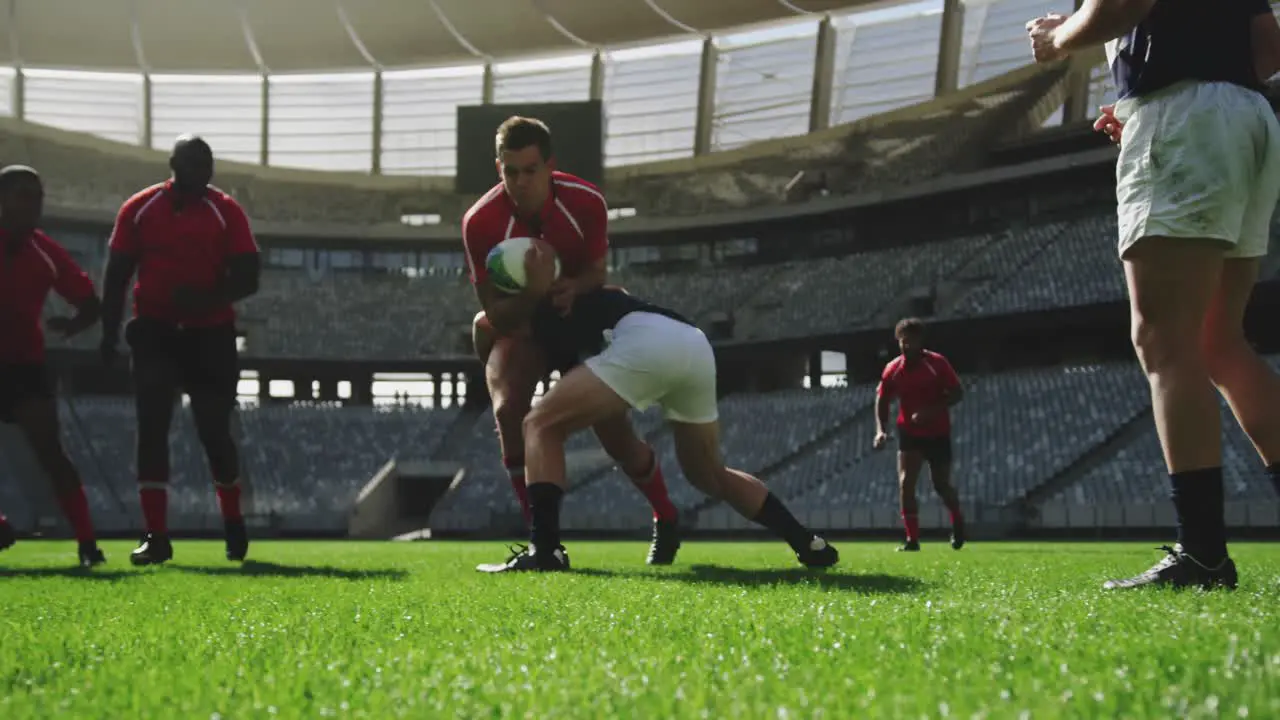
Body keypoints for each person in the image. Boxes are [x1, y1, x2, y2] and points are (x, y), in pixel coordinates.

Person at [1027, 0, 1280, 589]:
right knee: (1220, 343)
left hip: (1186, 115)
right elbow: (1267, 47)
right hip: (1246, 115)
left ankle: (1204, 555)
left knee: (1166, 343)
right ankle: (1205, 553)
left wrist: (1059, 37)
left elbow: (1118, 6)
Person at [478, 252, 839, 573]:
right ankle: (806, 542)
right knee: (708, 474)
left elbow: (486, 323)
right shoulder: (590, 296)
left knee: (539, 425)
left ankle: (546, 552)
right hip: (692, 342)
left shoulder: (540, 311)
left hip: (645, 344)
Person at [463, 116, 681, 565]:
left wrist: (572, 287)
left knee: (616, 434)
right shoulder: (481, 222)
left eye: (530, 170)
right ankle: (543, 542)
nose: (520, 182)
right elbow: (495, 311)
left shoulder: (586, 201)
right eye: (510, 172)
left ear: (549, 166)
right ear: (498, 167)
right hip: (523, 326)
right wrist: (532, 291)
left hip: (580, 318)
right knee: (508, 411)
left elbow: (598, 274)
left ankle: (665, 515)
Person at [100, 136, 261, 566]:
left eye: (207, 164)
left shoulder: (225, 210)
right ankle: (156, 535)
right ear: (174, 164)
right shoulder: (140, 208)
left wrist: (205, 298)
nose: (202, 172)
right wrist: (107, 335)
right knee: (151, 424)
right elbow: (117, 275)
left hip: (210, 334)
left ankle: (233, 522)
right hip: (155, 330)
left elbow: (249, 275)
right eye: (193, 163)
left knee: (213, 430)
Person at [0, 165, 107, 568]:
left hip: (25, 366)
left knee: (52, 454)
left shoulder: (44, 250)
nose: (33, 203)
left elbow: (90, 303)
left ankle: (87, 543)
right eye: (23, 194)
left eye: (38, 195)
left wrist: (74, 324)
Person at [872, 318, 966, 552]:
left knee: (941, 484)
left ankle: (958, 523)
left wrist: (930, 411)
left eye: (911, 342)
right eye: (903, 342)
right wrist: (881, 430)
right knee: (906, 483)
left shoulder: (937, 363)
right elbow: (882, 399)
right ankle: (912, 539)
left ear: (920, 342)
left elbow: (957, 393)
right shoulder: (893, 369)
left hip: (937, 431)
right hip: (909, 432)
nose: (907, 346)